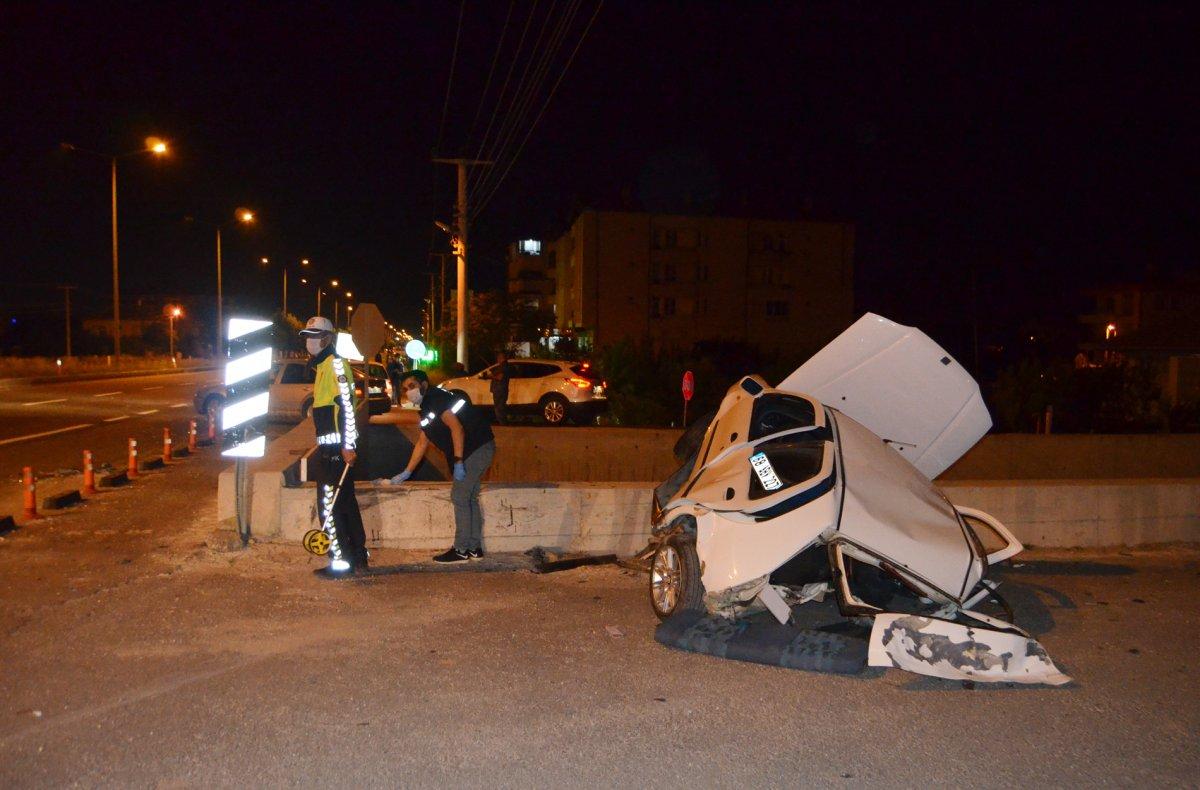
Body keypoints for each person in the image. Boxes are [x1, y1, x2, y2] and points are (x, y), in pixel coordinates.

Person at [388, 369, 495, 563]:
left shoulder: (434, 399)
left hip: (476, 449)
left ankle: (461, 550)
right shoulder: (428, 407)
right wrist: (407, 472)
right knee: (469, 498)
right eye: (405, 389)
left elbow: (457, 428)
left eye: (412, 386)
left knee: (460, 497)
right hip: (479, 447)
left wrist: (458, 461)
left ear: (424, 385)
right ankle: (474, 548)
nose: (409, 391)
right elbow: (423, 442)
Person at [299, 316, 368, 578]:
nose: (309, 341)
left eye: (314, 336)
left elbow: (348, 409)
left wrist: (347, 446)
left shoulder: (335, 365)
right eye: (307, 336)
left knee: (331, 506)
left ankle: (341, 562)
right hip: (331, 449)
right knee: (344, 505)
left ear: (327, 339)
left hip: (336, 452)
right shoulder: (323, 367)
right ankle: (357, 559)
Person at [488, 350, 512, 425]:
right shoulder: (505, 366)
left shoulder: (503, 366)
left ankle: (502, 423)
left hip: (499, 389)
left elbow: (500, 377)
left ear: (501, 358)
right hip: (502, 389)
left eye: (498, 358)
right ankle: (503, 422)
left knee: (499, 407)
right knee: (501, 406)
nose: (497, 360)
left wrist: (491, 375)